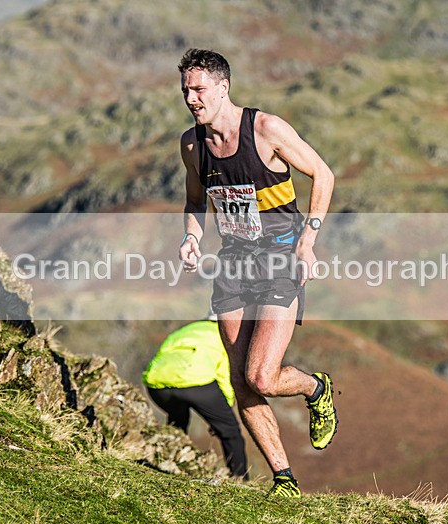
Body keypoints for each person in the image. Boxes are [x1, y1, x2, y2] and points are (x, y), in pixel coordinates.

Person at [176, 48, 338, 497]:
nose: (191, 99)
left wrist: (308, 239)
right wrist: (191, 237)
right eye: (185, 90)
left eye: (199, 89)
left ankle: (315, 388)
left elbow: (323, 175)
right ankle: (284, 479)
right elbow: (195, 201)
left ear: (223, 88)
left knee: (261, 376)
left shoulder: (266, 129)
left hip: (281, 257)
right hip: (233, 263)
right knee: (238, 380)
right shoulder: (192, 145)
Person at [143, 315, 248, 479]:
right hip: (196, 382)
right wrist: (224, 410)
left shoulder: (185, 330)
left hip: (157, 383)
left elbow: (163, 353)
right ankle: (240, 478)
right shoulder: (226, 334)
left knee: (178, 419)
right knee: (231, 432)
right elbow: (224, 373)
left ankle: (168, 460)